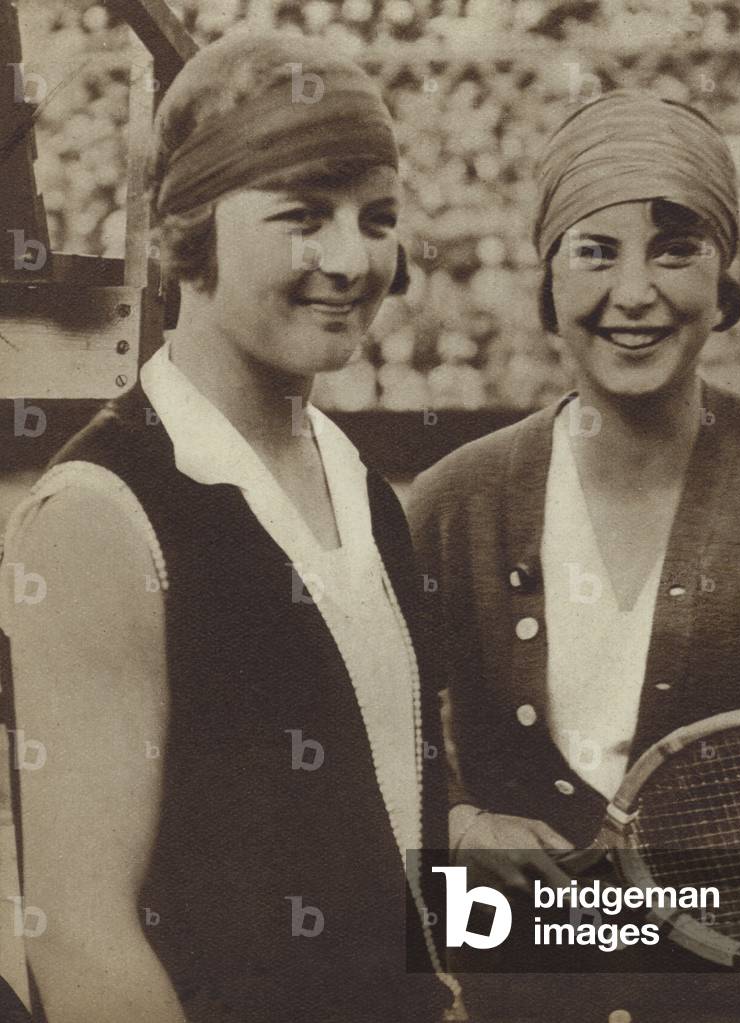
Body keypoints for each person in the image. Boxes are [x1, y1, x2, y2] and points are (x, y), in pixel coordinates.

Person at [408, 90, 740, 1023]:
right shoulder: (454, 497)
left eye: (675, 250)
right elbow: (372, 745)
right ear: (548, 277)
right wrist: (457, 824)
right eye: (595, 250)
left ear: (724, 281)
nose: (633, 292)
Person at [0, 31, 454, 1023]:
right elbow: (81, 939)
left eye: (376, 218)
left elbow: (386, 832)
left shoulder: (359, 484)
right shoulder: (100, 519)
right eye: (302, 215)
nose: (350, 258)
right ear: (185, 233)